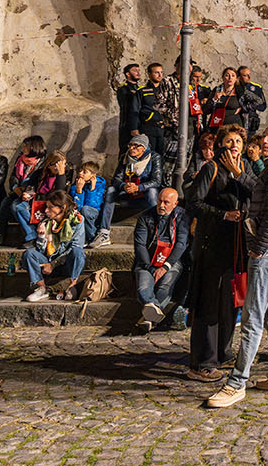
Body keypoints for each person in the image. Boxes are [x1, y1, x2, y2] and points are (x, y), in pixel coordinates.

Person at [204, 123, 268, 409]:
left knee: (252, 317)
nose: (265, 141)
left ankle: (237, 383)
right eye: (264, 136)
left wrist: (258, 247)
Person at [186, 126, 254, 382]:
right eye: (229, 141)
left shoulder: (244, 168)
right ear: (221, 146)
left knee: (229, 303)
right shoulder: (211, 168)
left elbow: (256, 193)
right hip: (212, 245)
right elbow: (193, 203)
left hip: (236, 248)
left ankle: (222, 354)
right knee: (209, 304)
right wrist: (222, 215)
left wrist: (239, 174)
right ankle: (202, 362)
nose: (234, 145)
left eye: (238, 141)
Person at [134, 187, 190, 333]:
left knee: (165, 286)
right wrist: (149, 267)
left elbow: (181, 244)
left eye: (166, 202)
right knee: (143, 287)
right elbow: (140, 245)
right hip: (148, 261)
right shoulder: (145, 217)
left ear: (175, 204)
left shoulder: (182, 217)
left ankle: (147, 318)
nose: (161, 205)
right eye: (159, 201)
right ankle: (152, 311)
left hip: (171, 261)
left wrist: (165, 267)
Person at [95, 134, 161, 248]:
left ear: (143, 148)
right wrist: (123, 186)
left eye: (136, 146)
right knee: (111, 190)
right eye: (130, 145)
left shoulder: (154, 157)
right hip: (127, 194)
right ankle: (104, 232)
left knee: (152, 192)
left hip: (144, 195)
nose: (131, 148)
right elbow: (116, 179)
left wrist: (139, 187)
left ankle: (156, 230)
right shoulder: (125, 157)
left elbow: (156, 181)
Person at [23, 190, 86, 302]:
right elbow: (41, 251)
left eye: (50, 207)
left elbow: (75, 246)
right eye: (46, 207)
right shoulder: (47, 223)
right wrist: (41, 237)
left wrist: (53, 264)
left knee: (78, 251)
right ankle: (41, 288)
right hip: (48, 263)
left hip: (66, 264)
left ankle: (72, 286)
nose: (46, 210)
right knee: (29, 254)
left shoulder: (77, 221)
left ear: (63, 207)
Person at [0, 135, 45, 245]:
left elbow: (38, 182)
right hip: (19, 191)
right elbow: (13, 177)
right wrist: (15, 187)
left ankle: (31, 235)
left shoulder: (42, 164)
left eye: (26, 146)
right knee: (6, 201)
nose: (23, 148)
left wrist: (27, 192)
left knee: (15, 205)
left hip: (33, 196)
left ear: (33, 147)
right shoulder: (20, 159)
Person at [10, 150, 70, 246]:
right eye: (55, 165)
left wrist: (61, 175)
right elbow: (30, 187)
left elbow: (59, 195)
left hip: (52, 206)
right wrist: (26, 194)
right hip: (36, 203)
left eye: (61, 165)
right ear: (48, 165)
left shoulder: (67, 175)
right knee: (18, 207)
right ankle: (32, 236)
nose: (57, 168)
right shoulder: (40, 173)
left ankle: (37, 233)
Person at [74, 160, 110, 248]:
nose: (80, 173)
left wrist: (92, 189)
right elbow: (77, 206)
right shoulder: (76, 185)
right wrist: (79, 190)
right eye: (80, 171)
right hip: (82, 213)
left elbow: (92, 205)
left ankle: (93, 236)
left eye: (84, 172)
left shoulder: (99, 186)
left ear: (93, 176)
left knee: (85, 210)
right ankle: (88, 237)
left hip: (94, 214)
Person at [116, 63, 143, 152]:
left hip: (139, 124)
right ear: (128, 74)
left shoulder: (140, 89)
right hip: (127, 125)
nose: (138, 73)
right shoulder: (123, 89)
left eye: (139, 70)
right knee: (126, 151)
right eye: (135, 71)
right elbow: (127, 107)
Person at [236, 66, 267, 135]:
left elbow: (263, 106)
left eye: (249, 74)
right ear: (239, 77)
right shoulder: (234, 87)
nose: (249, 77)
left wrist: (248, 106)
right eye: (245, 75)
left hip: (250, 121)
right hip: (237, 120)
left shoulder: (256, 88)